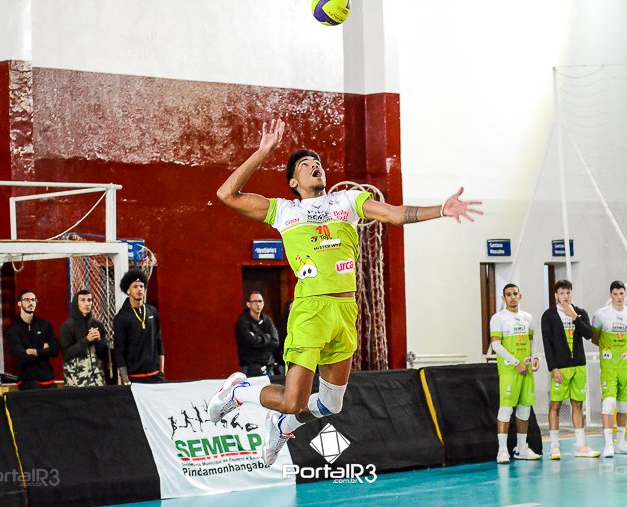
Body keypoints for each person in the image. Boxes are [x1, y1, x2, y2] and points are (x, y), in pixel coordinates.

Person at [209, 118, 482, 466]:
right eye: (305, 165)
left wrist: (441, 210)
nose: (315, 166)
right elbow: (226, 195)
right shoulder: (284, 210)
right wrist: (263, 152)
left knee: (330, 404)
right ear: (293, 182)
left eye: (317, 162)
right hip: (311, 310)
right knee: (294, 400)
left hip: (345, 310)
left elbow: (396, 215)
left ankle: (282, 425)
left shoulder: (348, 201)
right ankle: (238, 391)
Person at [541, 279, 599, 459]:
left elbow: (589, 335)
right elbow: (547, 344)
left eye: (568, 292)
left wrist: (574, 316)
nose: (565, 296)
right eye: (562, 293)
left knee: (578, 404)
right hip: (561, 367)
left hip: (579, 366)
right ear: (556, 295)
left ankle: (581, 446)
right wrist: (553, 368)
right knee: (556, 405)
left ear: (572, 293)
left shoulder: (580, 312)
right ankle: (554, 446)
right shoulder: (548, 315)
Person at [489, 283, 541, 464]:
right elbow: (496, 345)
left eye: (515, 294)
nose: (512, 297)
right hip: (509, 371)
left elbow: (531, 340)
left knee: (524, 410)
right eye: (508, 294)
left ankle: (521, 448)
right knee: (505, 409)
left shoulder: (527, 317)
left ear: (520, 296)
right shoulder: (498, 318)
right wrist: (515, 362)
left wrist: (535, 357)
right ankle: (502, 450)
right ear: (503, 298)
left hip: (526, 370)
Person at [591, 281, 627, 457]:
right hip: (609, 366)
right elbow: (595, 338)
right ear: (611, 295)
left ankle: (621, 443)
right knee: (609, 403)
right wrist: (609, 351)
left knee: (623, 406)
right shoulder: (600, 315)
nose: (619, 297)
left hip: (626, 366)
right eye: (615, 294)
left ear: (625, 294)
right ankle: (608, 444)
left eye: (621, 293)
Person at [113, 270, 165, 384]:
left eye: (141, 286)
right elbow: (119, 351)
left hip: (155, 375)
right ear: (128, 291)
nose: (139, 289)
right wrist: (125, 379)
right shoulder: (121, 317)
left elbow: (159, 341)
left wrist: (161, 371)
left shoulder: (152, 311)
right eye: (135, 286)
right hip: (135, 377)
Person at [6, 289, 60, 390]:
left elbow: (55, 350)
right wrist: (43, 350)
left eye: (33, 300)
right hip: (27, 380)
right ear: (19, 303)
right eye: (27, 300)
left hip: (48, 378)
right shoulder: (13, 329)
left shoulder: (44, 324)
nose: (31, 303)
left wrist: (34, 351)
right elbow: (21, 358)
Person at [60, 289, 109, 387]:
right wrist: (86, 340)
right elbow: (66, 354)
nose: (87, 303)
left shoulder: (98, 325)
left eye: (89, 300)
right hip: (76, 381)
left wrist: (99, 341)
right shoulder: (67, 326)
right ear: (76, 303)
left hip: (97, 380)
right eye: (83, 300)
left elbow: (103, 354)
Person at [235, 290, 280, 376]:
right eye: (255, 301)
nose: (258, 304)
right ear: (248, 304)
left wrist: (259, 340)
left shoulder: (267, 320)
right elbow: (252, 342)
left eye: (260, 301)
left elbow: (275, 342)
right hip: (250, 368)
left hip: (268, 367)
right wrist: (267, 337)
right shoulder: (243, 322)